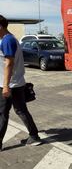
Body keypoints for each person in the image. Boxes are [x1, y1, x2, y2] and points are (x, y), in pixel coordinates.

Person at [0, 15, 41, 151]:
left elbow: (9, 63)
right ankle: (34, 136)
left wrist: (5, 86)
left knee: (3, 113)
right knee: (21, 110)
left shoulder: (7, 40)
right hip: (16, 83)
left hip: (10, 85)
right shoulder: (10, 39)